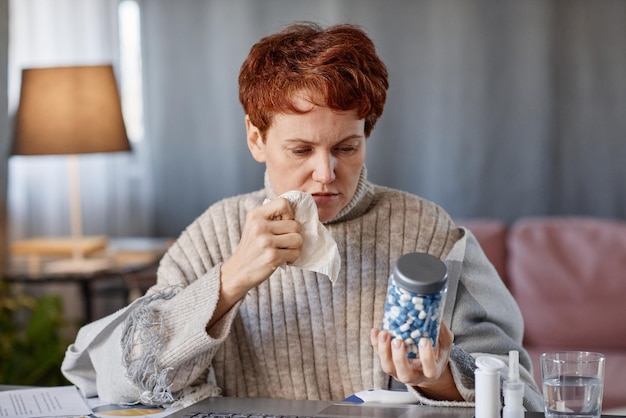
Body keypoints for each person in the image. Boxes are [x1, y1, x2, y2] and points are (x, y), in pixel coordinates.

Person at [61, 22, 543, 410]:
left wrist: (436, 379)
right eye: (300, 149)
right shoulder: (212, 235)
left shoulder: (428, 230)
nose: (325, 174)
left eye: (347, 147)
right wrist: (230, 280)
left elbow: (520, 391)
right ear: (256, 139)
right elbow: (123, 382)